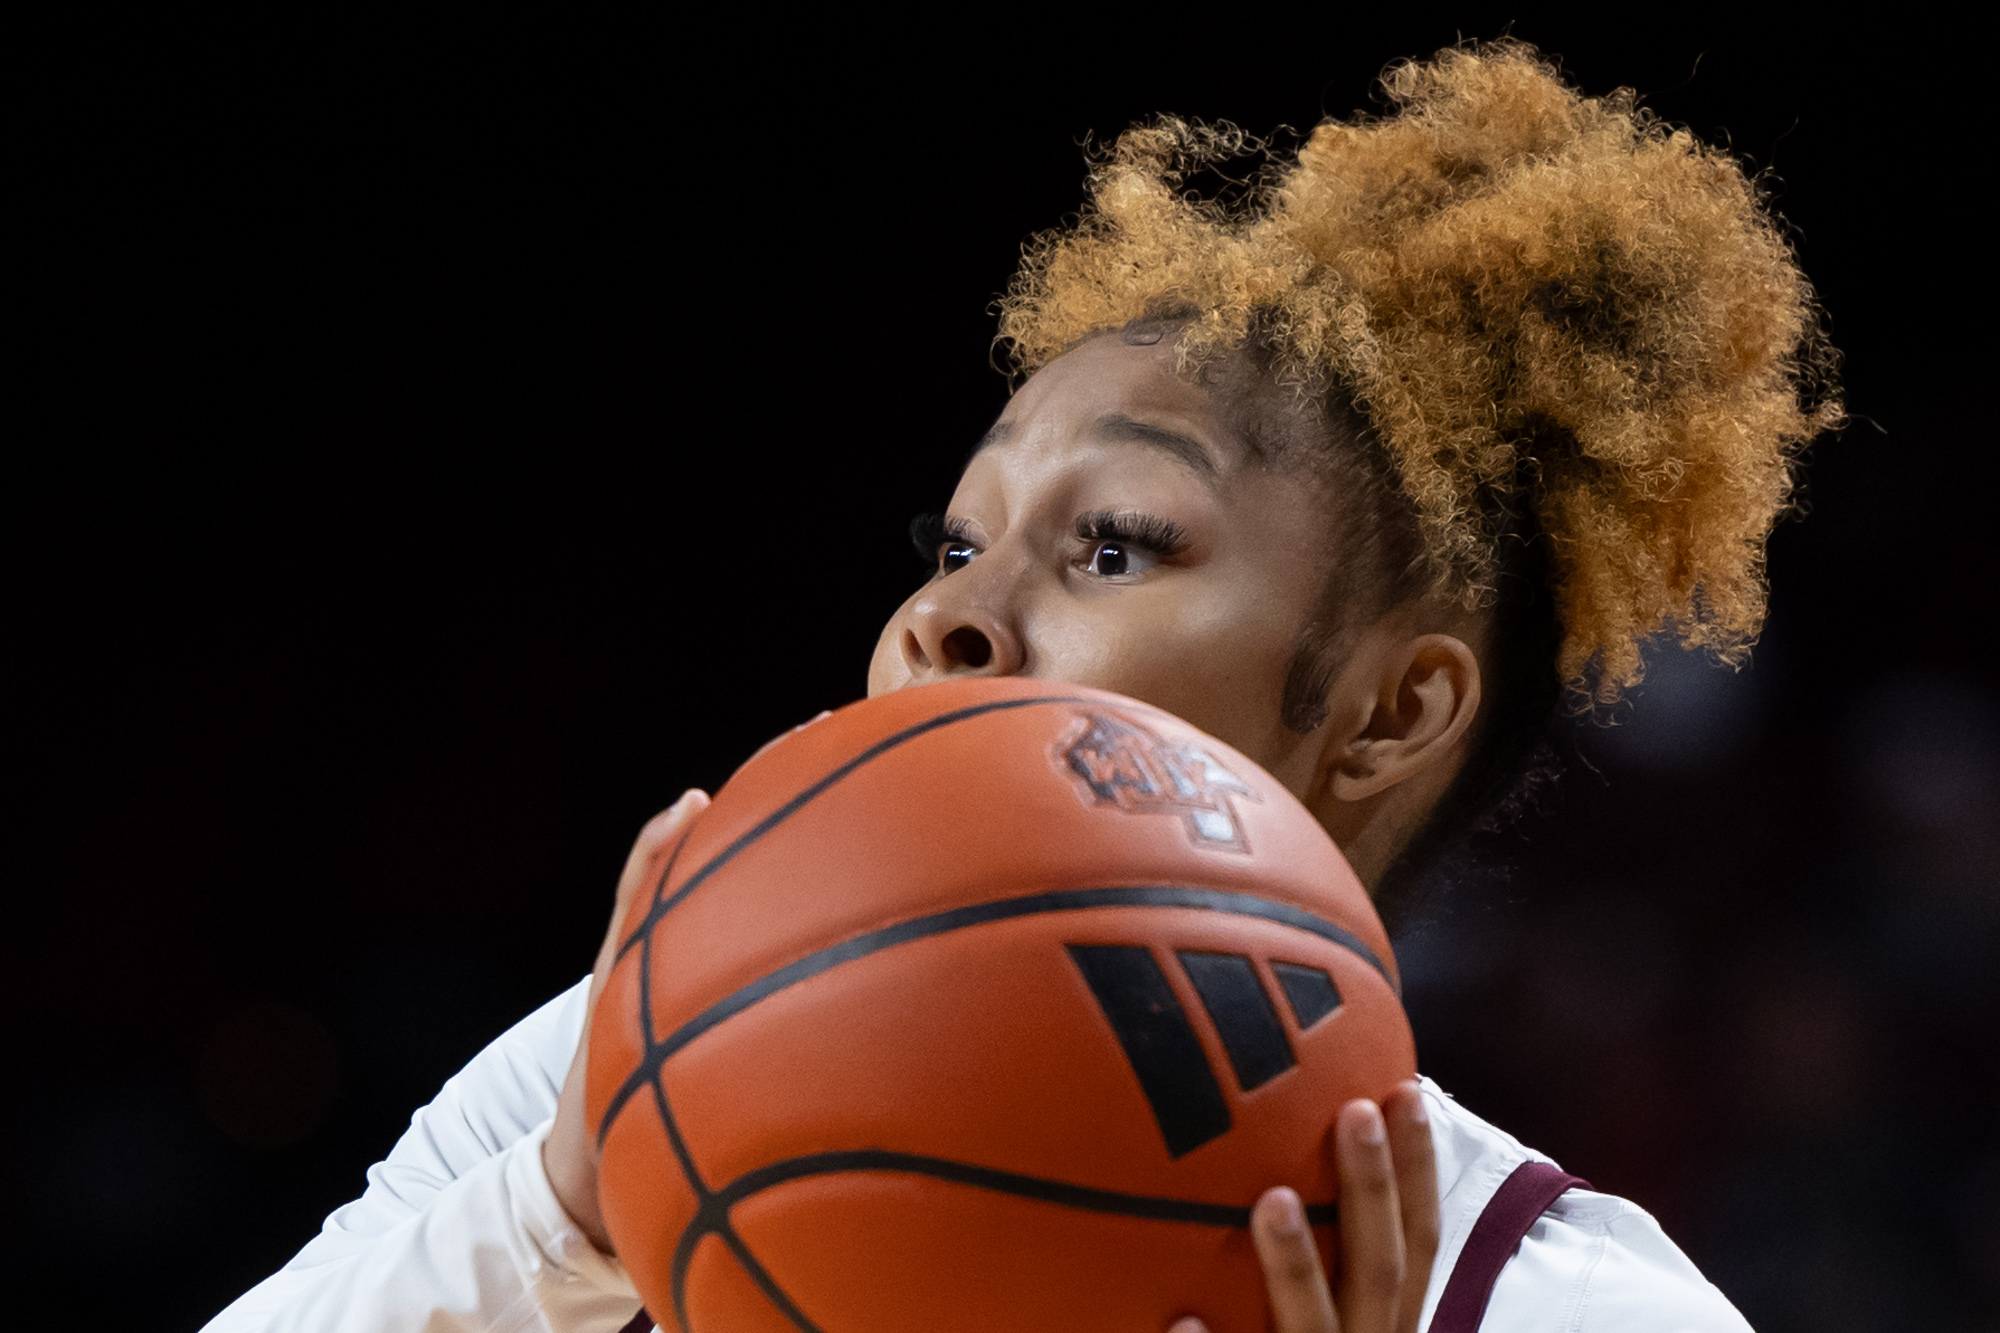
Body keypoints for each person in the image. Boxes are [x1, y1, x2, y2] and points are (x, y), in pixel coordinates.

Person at [204, 41, 1839, 1333]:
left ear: (1391, 710)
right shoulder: (613, 1070)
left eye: (1114, 545)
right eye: (953, 540)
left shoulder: (1571, 1306)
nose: (949, 620)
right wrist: (565, 1210)